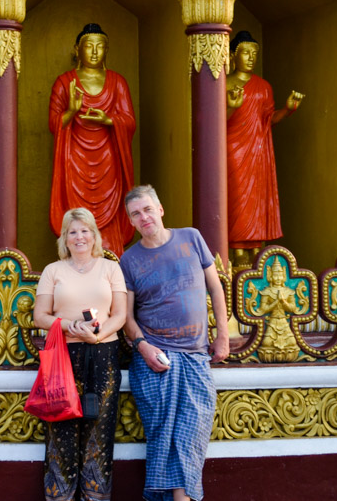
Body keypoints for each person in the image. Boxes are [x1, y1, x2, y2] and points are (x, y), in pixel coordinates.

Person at [120, 185, 229, 501]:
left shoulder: (191, 238)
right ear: (131, 221)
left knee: (191, 435)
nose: (144, 217)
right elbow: (127, 318)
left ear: (160, 209)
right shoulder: (129, 260)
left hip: (196, 356)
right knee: (164, 437)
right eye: (136, 214)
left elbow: (215, 289)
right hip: (155, 358)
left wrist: (222, 333)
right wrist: (143, 347)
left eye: (147, 209)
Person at [33, 207, 128, 501]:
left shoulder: (110, 268)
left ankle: (95, 495)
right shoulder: (54, 270)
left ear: (94, 235)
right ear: (65, 238)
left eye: (85, 230)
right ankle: (60, 495)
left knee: (99, 426)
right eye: (72, 232)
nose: (79, 237)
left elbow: (120, 314)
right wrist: (70, 326)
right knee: (61, 426)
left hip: (103, 354)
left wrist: (97, 335)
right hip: (64, 354)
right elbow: (40, 316)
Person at [49, 23, 136, 256]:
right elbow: (53, 123)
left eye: (100, 46)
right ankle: (77, 258)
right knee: (77, 211)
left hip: (109, 158)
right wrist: (71, 110)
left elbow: (129, 120)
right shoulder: (65, 82)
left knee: (110, 212)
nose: (95, 52)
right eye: (89, 46)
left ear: (107, 50)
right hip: (75, 160)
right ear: (77, 49)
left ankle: (110, 256)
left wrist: (109, 120)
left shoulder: (117, 82)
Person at [225, 31, 303, 267]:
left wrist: (288, 110)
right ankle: (238, 255)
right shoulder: (224, 83)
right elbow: (213, 123)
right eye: (245, 53)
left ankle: (256, 254)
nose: (250, 58)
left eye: (254, 53)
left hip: (257, 152)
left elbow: (268, 119)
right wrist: (231, 106)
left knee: (255, 203)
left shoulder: (263, 86)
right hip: (233, 150)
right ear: (233, 55)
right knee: (237, 199)